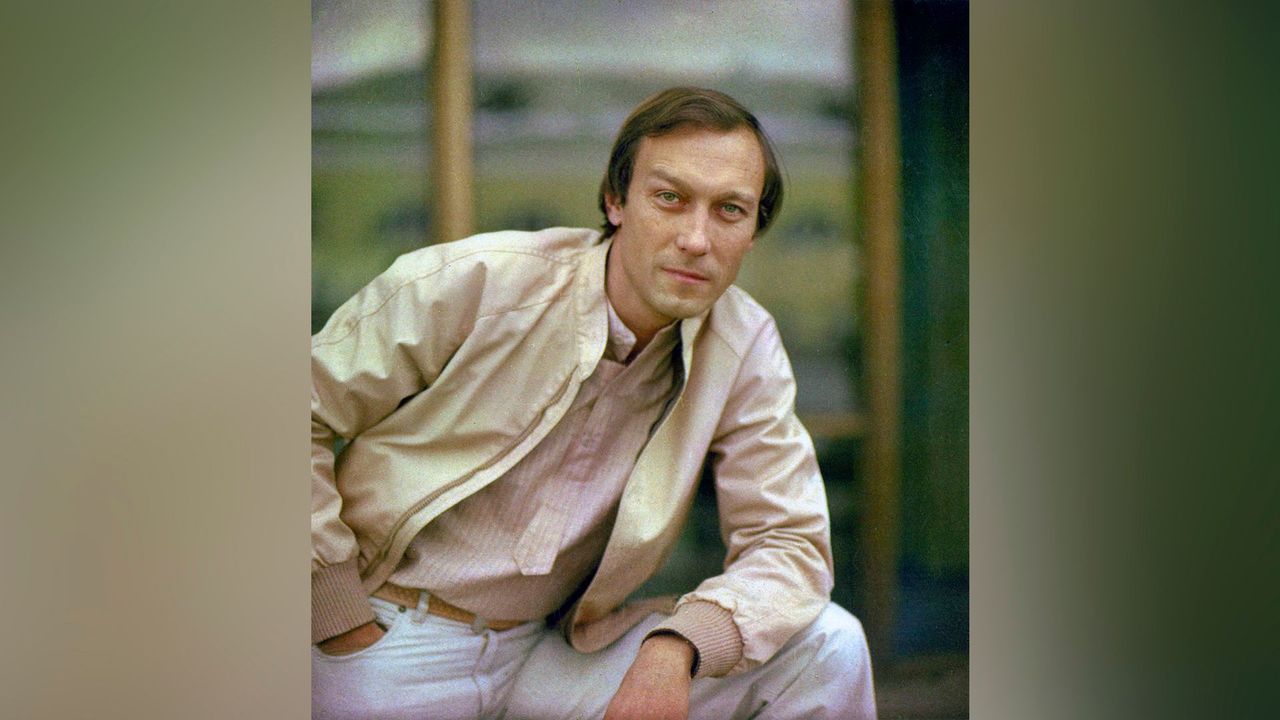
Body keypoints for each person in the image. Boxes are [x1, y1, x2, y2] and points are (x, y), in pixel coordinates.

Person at [311, 86, 876, 719]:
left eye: (729, 210)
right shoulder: (479, 283)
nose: (696, 238)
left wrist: (681, 645)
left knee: (829, 645)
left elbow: (789, 540)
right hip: (388, 636)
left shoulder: (741, 343)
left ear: (752, 233)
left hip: (550, 650)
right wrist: (334, 613)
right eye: (670, 198)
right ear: (615, 201)